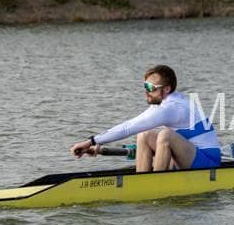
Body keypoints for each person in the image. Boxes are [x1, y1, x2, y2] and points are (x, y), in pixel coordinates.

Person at [70, 65, 221, 172]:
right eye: (145, 86)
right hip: (187, 156)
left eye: (151, 88)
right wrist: (98, 147)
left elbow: (127, 128)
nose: (146, 92)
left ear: (166, 89)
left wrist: (90, 141)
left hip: (208, 162)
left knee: (166, 135)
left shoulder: (172, 108)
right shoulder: (164, 103)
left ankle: (156, 183)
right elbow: (131, 124)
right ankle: (142, 179)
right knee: (144, 134)